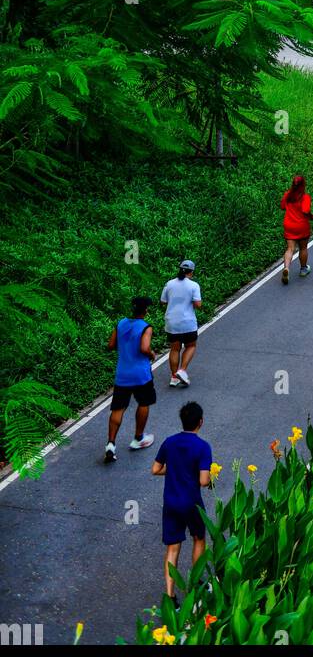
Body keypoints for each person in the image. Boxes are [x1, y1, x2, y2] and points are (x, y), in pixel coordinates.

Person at [151, 401, 213, 605]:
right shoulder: (203, 447)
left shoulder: (169, 442)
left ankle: (170, 596)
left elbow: (155, 469)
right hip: (192, 503)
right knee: (198, 538)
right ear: (200, 422)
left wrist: (176, 469)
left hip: (171, 502)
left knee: (172, 548)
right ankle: (195, 584)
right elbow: (204, 481)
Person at [105, 296, 156, 463]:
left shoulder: (121, 323)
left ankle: (111, 444)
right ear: (146, 310)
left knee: (118, 408)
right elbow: (144, 348)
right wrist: (151, 354)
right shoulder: (145, 327)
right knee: (143, 403)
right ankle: (138, 438)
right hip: (140, 375)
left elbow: (111, 345)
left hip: (122, 374)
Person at [160, 259, 202, 388]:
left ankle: (174, 377)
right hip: (188, 322)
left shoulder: (169, 284)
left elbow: (163, 302)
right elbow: (198, 304)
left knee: (175, 348)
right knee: (191, 346)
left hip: (171, 322)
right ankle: (182, 370)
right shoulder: (194, 285)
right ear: (192, 272)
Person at [280, 174, 313, 284]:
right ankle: (303, 269)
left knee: (290, 249)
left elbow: (282, 207)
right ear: (303, 185)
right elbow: (305, 211)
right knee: (303, 248)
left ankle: (286, 268)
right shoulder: (305, 197)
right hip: (301, 226)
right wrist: (312, 216)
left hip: (289, 225)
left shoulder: (287, 194)